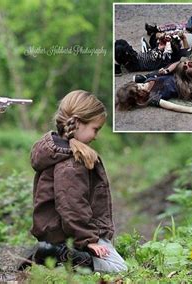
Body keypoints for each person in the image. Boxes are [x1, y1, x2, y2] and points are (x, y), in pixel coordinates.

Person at [22, 90, 127, 273]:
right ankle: (56, 254)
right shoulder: (71, 162)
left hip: (58, 232)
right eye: (96, 129)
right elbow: (71, 205)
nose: (96, 136)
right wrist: (89, 241)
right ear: (77, 123)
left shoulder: (56, 153)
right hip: (67, 236)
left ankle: (53, 254)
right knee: (118, 268)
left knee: (111, 259)